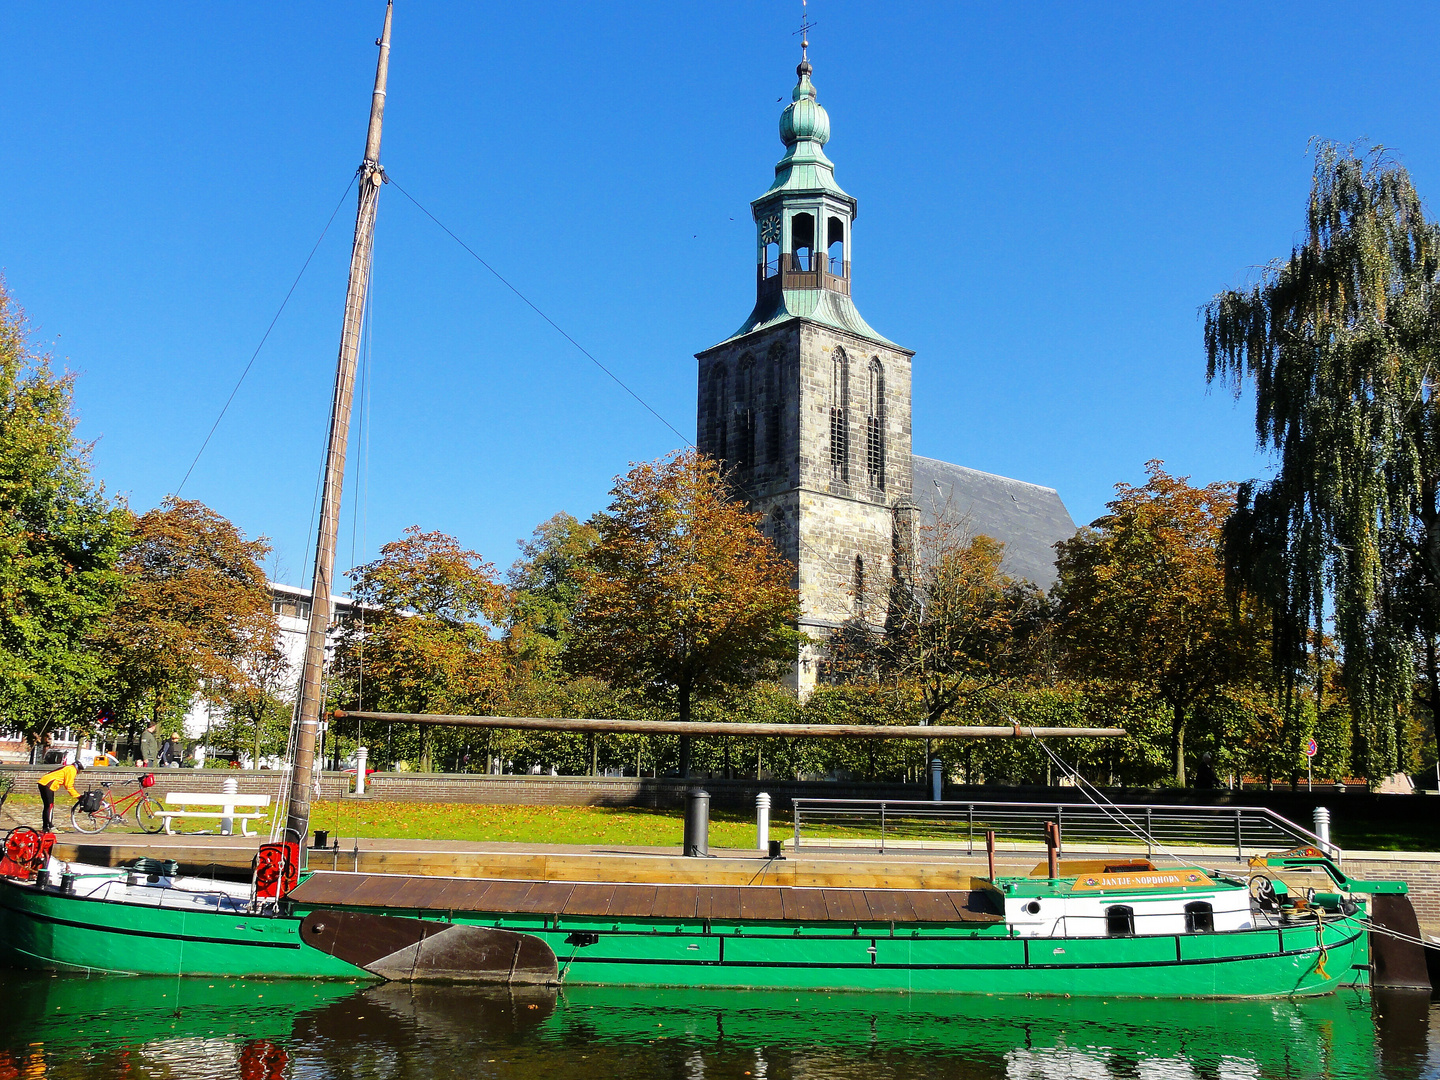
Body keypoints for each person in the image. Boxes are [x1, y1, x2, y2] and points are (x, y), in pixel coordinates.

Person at [37, 759, 86, 833]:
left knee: (47, 806)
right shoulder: (72, 770)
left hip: (44, 782)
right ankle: (50, 827)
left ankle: (45, 827)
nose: (80, 772)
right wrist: (78, 796)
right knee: (49, 806)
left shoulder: (69, 767)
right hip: (48, 784)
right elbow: (69, 786)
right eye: (81, 770)